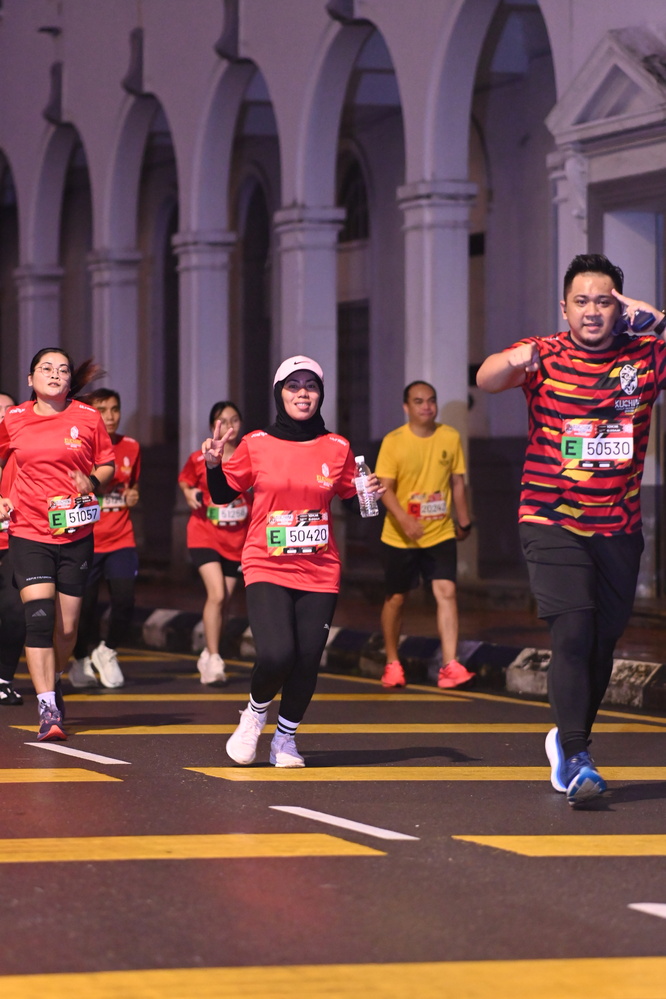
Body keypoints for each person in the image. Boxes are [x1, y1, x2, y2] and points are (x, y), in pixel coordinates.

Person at [476, 253, 666, 806]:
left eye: (604, 301)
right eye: (581, 301)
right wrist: (514, 358)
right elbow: (487, 378)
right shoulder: (546, 353)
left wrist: (654, 318)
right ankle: (579, 755)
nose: (592, 311)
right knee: (574, 631)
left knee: (602, 644)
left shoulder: (644, 355)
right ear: (565, 308)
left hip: (618, 524)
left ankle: (567, 738)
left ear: (619, 307)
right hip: (550, 517)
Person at [202, 355, 384, 767]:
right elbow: (223, 494)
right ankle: (253, 715)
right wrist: (213, 465)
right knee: (277, 654)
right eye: (293, 386)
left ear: (321, 394)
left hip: (320, 570)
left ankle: (285, 740)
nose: (303, 393)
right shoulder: (256, 443)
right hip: (266, 563)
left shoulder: (337, 447)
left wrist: (369, 493)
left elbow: (354, 503)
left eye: (311, 386)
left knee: (306, 660)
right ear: (279, 393)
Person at [0, 349, 115, 741]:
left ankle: (56, 676)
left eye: (62, 369)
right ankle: (47, 707)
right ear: (30, 379)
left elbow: (106, 464)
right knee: (39, 619)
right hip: (29, 532)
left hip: (75, 534)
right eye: (46, 368)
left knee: (66, 630)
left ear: (69, 381)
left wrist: (92, 482)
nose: (55, 374)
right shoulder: (14, 419)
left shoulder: (88, 418)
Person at [375, 381, 475, 690]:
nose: (426, 406)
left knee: (446, 592)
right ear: (406, 407)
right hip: (400, 536)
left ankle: (450, 665)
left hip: (439, 531)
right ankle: (392, 662)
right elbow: (384, 489)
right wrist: (404, 519)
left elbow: (457, 482)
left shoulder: (450, 437)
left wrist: (464, 520)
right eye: (418, 401)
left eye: (431, 400)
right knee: (397, 598)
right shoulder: (393, 442)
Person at [69, 389, 141, 689]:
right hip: (85, 540)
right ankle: (80, 658)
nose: (109, 417)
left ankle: (107, 650)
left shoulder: (132, 447)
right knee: (84, 609)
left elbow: (131, 487)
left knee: (125, 600)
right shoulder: (76, 447)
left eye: (114, 409)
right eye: (102, 410)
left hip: (121, 538)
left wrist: (134, 495)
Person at [178, 401, 249, 685]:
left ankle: (209, 652)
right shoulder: (201, 457)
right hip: (204, 533)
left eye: (234, 420)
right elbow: (185, 481)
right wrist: (189, 493)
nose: (230, 426)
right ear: (213, 426)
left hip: (237, 539)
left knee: (226, 602)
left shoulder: (248, 457)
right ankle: (216, 658)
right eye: (223, 421)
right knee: (217, 594)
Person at [0, 391, 26, 706]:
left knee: (14, 611)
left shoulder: (25, 451)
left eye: (9, 409)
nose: (3, 416)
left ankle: (3, 679)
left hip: (15, 542)